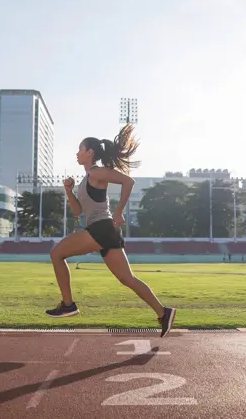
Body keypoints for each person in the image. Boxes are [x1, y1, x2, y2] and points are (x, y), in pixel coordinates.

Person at [45, 122, 176, 337]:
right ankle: (163, 313)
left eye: (80, 149)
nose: (77, 153)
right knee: (127, 279)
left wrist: (119, 211)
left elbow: (128, 181)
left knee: (57, 254)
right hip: (104, 231)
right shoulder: (86, 180)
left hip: (102, 228)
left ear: (90, 152)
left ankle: (68, 304)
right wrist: (68, 191)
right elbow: (78, 211)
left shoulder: (97, 173)